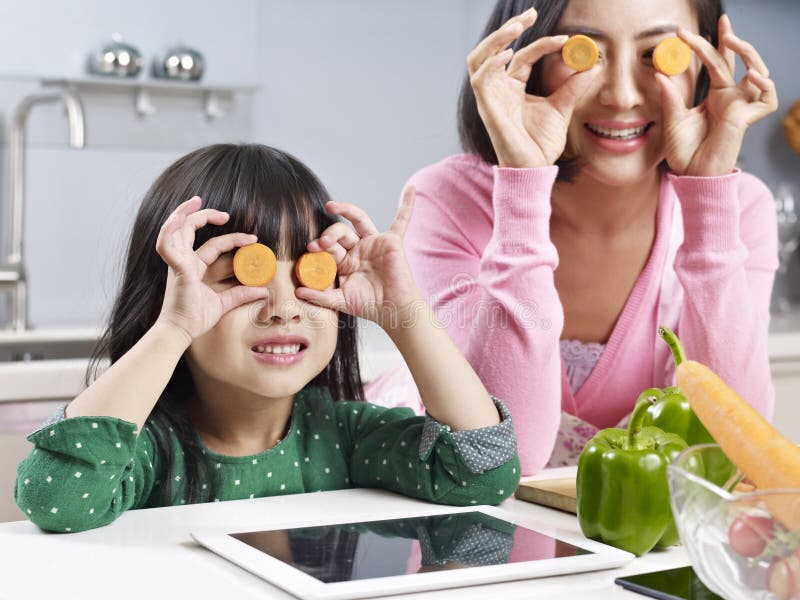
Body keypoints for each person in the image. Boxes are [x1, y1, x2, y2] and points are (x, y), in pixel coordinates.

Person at [15, 144, 520, 533]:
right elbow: (54, 497)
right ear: (167, 299)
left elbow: (483, 473)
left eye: (309, 272)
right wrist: (172, 330)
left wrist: (406, 315)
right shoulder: (151, 450)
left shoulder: (345, 436)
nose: (283, 307)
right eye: (240, 276)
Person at [366, 0, 779, 475]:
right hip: (458, 527)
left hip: (637, 546)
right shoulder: (446, 200)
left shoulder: (738, 207)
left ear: (707, 66)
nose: (622, 95)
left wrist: (710, 199)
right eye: (584, 53)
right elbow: (503, 455)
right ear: (529, 58)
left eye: (660, 53)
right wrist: (522, 179)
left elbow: (734, 452)